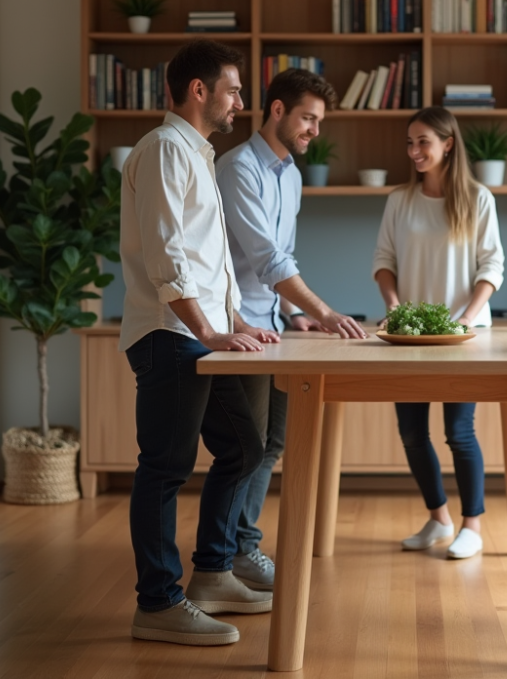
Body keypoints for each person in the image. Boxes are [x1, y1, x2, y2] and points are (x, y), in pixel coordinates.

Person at [119, 40, 284, 646]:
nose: (241, 101)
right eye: (235, 90)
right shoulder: (166, 150)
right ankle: (157, 602)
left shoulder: (197, 154)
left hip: (199, 337)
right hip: (171, 336)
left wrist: (232, 324)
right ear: (199, 90)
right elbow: (168, 257)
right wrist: (210, 330)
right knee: (164, 467)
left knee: (245, 444)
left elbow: (207, 260)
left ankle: (213, 573)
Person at [216, 67, 367, 592]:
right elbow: (265, 258)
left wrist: (295, 313)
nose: (314, 131)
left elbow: (282, 258)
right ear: (276, 110)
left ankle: (243, 546)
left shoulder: (291, 174)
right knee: (249, 446)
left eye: (319, 121)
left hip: (274, 324)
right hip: (239, 329)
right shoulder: (238, 169)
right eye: (308, 118)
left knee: (274, 441)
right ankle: (233, 554)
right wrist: (325, 312)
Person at [371, 106, 504, 560]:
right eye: (410, 142)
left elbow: (492, 266)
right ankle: (438, 518)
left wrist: (467, 316)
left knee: (458, 431)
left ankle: (472, 526)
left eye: (423, 141)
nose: (414, 151)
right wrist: (392, 308)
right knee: (411, 433)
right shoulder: (399, 201)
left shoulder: (478, 198)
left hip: (463, 336)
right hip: (407, 335)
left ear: (448, 143)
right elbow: (384, 261)